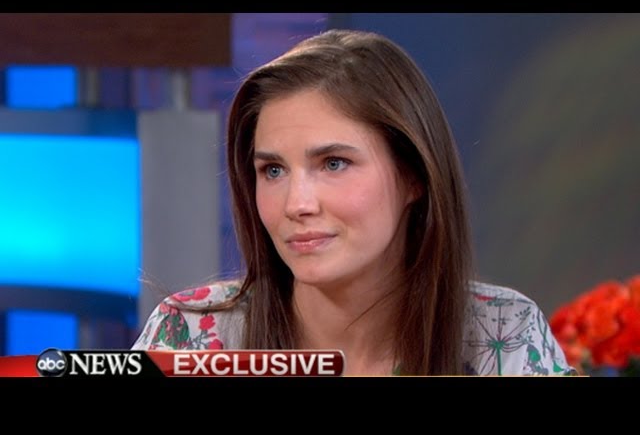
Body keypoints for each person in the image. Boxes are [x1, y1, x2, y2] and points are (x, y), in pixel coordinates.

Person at [132, 29, 575, 376]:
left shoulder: (506, 335)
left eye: (334, 164)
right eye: (273, 170)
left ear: (414, 176)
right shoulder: (188, 336)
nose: (296, 204)